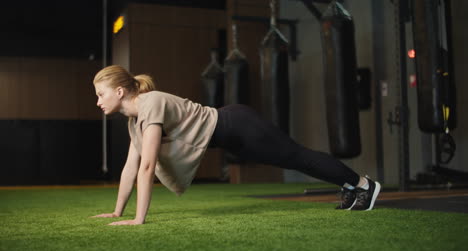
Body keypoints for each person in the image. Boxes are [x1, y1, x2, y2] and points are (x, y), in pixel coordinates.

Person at [91, 65, 381, 226]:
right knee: (292, 159)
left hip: (239, 125)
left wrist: (138, 219)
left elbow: (147, 166)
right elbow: (130, 168)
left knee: (298, 157)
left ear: (119, 91)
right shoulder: (134, 122)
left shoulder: (150, 104)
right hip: (231, 137)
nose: (98, 101)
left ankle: (363, 184)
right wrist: (118, 212)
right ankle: (351, 185)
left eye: (101, 94)